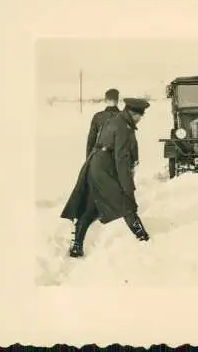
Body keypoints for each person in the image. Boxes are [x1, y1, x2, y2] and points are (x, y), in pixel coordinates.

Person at [60, 97, 151, 258]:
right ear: (132, 113)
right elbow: (121, 159)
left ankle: (77, 247)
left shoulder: (117, 120)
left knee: (92, 206)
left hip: (96, 165)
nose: (140, 119)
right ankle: (144, 239)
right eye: (139, 116)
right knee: (126, 202)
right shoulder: (123, 127)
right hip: (104, 169)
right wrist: (127, 186)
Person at [86, 88, 121, 158]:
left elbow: (91, 141)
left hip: (100, 157)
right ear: (117, 100)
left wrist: (88, 159)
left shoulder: (98, 117)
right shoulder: (124, 117)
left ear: (105, 100)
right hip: (118, 157)